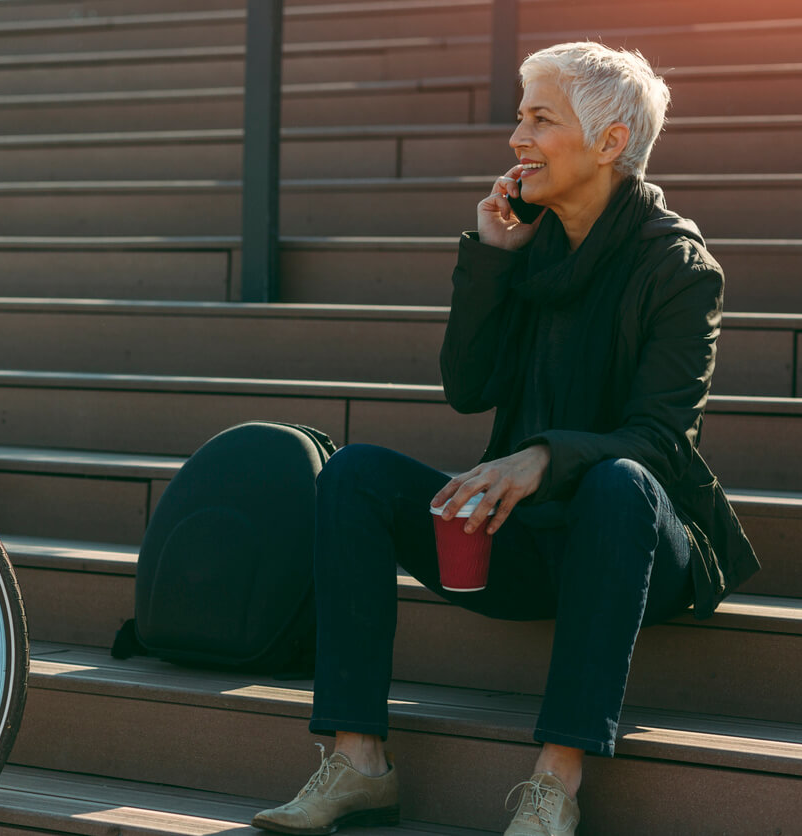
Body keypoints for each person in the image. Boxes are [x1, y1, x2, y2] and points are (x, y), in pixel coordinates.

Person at [251, 42, 759, 836]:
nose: (516, 138)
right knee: (352, 474)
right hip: (522, 545)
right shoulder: (529, 242)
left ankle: (556, 782)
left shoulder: (679, 267)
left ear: (610, 143)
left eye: (539, 119)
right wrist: (489, 262)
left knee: (619, 482)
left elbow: (659, 439)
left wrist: (544, 456)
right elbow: (469, 389)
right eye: (520, 117)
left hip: (639, 550)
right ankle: (357, 762)